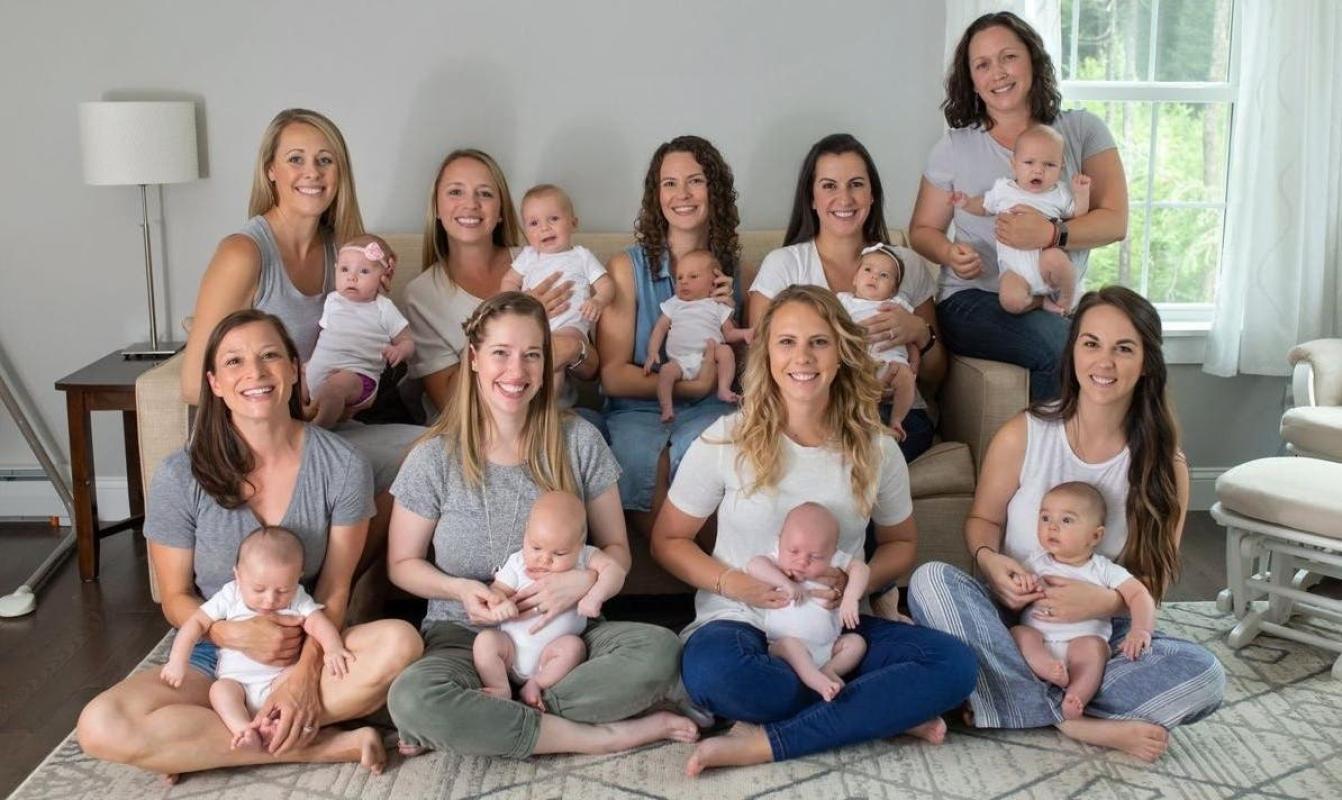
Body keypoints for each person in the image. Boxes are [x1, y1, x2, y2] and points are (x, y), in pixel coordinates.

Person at [77, 310, 424, 782]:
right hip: (215, 658)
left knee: (401, 643)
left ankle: (201, 744)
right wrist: (231, 635)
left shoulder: (342, 465)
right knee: (101, 725)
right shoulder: (180, 475)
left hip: (308, 644)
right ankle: (321, 746)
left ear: (295, 369)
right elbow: (175, 597)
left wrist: (303, 677)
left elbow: (335, 588)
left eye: (269, 356)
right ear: (215, 383)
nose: (255, 373)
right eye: (234, 361)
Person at [653, 286, 977, 776]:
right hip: (740, 621)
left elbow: (901, 544)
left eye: (819, 342)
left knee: (954, 666)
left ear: (841, 352)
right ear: (766, 355)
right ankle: (877, 710)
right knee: (722, 678)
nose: (802, 357)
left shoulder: (876, 448)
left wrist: (851, 584)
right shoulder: (726, 438)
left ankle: (767, 741)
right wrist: (731, 582)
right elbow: (668, 540)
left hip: (832, 630)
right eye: (786, 342)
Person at [908, 286, 1225, 763]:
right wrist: (990, 562)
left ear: (1147, 363)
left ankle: (1015, 699)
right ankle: (1070, 717)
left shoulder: (1165, 466)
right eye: (1091, 343)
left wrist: (1104, 602)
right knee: (930, 580)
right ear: (1073, 350)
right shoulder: (1025, 433)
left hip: (1099, 637)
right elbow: (982, 520)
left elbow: (1153, 581)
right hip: (1012, 623)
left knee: (1205, 674)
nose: (1104, 362)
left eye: (1124, 348)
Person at [386, 293, 697, 759]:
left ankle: (497, 721)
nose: (517, 371)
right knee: (412, 698)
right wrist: (461, 590)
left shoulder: (579, 441)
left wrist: (584, 580)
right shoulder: (434, 457)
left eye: (532, 355)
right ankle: (606, 735)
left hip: (567, 639)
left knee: (660, 651)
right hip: (466, 639)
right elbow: (402, 564)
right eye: (501, 353)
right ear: (474, 358)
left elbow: (618, 549)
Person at [181, 108, 422, 495]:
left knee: (439, 453)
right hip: (255, 439)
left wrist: (355, 384)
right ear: (270, 170)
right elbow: (195, 384)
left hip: (329, 429)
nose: (312, 173)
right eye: (296, 159)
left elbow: (365, 354)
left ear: (340, 173)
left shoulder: (344, 254)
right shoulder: (243, 253)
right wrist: (289, 407)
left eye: (325, 160)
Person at [908, 12, 1128, 401]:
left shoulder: (1082, 130)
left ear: (1032, 60)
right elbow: (923, 231)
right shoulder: (953, 148)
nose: (998, 73)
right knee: (1061, 346)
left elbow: (1115, 222)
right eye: (982, 64)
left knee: (1132, 345)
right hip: (973, 301)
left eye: (1008, 57)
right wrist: (949, 253)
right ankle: (1048, 442)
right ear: (971, 80)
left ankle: (1120, 443)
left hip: (1053, 294)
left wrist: (1052, 234)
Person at [749, 134, 943, 462]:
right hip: (813, 412)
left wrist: (920, 333)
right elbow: (758, 365)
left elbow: (937, 376)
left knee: (866, 457)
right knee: (833, 460)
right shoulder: (784, 265)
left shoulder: (906, 264)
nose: (844, 198)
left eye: (856, 184)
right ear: (811, 198)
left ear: (872, 194)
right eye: (829, 186)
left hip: (897, 414)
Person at [598, 135, 742, 531]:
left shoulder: (734, 272)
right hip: (638, 409)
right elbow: (612, 376)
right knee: (643, 461)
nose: (682, 194)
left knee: (711, 454)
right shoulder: (625, 268)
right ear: (656, 195)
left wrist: (729, 314)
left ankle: (716, 567)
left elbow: (742, 370)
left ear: (715, 191)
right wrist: (689, 388)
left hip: (711, 407)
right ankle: (688, 564)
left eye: (695, 181)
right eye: (669, 183)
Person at [403, 150, 586, 420]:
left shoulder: (540, 258)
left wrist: (573, 348)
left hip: (556, 418)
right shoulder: (421, 294)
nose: (471, 204)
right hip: (476, 429)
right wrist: (513, 319)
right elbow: (449, 402)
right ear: (437, 208)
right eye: (455, 192)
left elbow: (593, 368)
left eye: (485, 193)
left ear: (501, 211)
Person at [159, 526, 356, 751]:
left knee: (296, 679)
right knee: (219, 691)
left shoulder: (298, 597)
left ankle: (278, 725)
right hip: (237, 683)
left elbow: (318, 622)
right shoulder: (230, 595)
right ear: (238, 576)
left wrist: (333, 647)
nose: (270, 600)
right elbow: (195, 623)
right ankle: (243, 729)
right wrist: (177, 661)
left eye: (282, 590)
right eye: (259, 589)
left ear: (298, 578)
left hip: (278, 680)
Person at [1009, 482, 1155, 720]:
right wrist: (1021, 584)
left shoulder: (1103, 569)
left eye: (1066, 520)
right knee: (1019, 634)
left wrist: (1141, 630)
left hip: (1081, 642)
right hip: (1040, 640)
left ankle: (1077, 696)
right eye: (1045, 518)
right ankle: (1046, 667)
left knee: (1093, 649)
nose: (1052, 526)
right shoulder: (1036, 562)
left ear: (1095, 535)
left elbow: (1140, 595)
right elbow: (1014, 586)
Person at [471, 491, 628, 710]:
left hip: (551, 656)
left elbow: (615, 571)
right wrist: (500, 603)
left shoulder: (585, 557)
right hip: (510, 650)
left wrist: (595, 595)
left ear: (580, 544)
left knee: (574, 648)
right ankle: (500, 686)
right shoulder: (517, 562)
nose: (544, 559)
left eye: (560, 553)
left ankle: (536, 685)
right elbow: (497, 589)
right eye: (536, 547)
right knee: (485, 641)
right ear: (526, 533)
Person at [951, 124, 1091, 314]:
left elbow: (1077, 215)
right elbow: (984, 206)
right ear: (1014, 164)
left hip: (1046, 261)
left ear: (1061, 167)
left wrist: (1082, 194)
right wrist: (966, 203)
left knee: (1058, 261)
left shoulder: (1059, 193)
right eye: (1029, 162)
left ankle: (1067, 300)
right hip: (1014, 269)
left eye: (1049, 165)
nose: (1038, 170)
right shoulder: (1004, 190)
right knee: (1010, 301)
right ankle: (1038, 302)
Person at [744, 502, 870, 703]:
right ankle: (818, 682)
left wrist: (850, 597)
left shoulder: (834, 561)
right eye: (794, 552)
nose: (802, 561)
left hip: (828, 647)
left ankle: (830, 670)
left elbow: (861, 569)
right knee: (792, 646)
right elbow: (754, 565)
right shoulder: (778, 560)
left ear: (832, 552)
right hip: (783, 645)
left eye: (815, 557)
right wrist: (785, 583)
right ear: (780, 541)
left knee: (856, 643)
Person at [501, 184, 613, 379]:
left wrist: (598, 301)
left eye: (553, 219)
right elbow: (509, 281)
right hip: (533, 325)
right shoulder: (528, 256)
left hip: (570, 326)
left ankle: (553, 399)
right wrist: (517, 302)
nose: (544, 228)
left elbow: (606, 285)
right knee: (524, 355)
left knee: (557, 357)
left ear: (573, 223)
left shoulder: (582, 256)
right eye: (534, 223)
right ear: (525, 232)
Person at [304, 235, 414, 428]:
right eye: (344, 269)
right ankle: (302, 414)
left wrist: (399, 351)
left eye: (364, 271)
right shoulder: (332, 300)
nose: (351, 277)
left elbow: (407, 341)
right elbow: (324, 334)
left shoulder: (383, 308)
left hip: (357, 375)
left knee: (334, 390)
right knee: (292, 377)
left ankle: (318, 430)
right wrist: (310, 365)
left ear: (383, 276)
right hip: (319, 369)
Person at [643, 249, 753, 421]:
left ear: (714, 283)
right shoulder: (674, 303)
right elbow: (660, 328)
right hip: (679, 362)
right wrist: (652, 352)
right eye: (679, 278)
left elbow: (729, 333)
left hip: (710, 356)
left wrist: (745, 333)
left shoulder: (718, 305)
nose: (684, 282)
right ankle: (667, 407)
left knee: (726, 351)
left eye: (693, 276)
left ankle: (723, 388)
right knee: (665, 372)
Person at [837, 244, 921, 439]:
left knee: (906, 379)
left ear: (893, 289)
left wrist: (914, 360)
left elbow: (911, 337)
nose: (874, 277)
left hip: (894, 362)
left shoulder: (897, 306)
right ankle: (863, 422)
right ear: (855, 278)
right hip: (861, 362)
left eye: (884, 275)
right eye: (868, 270)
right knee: (856, 386)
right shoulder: (844, 302)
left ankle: (897, 421)